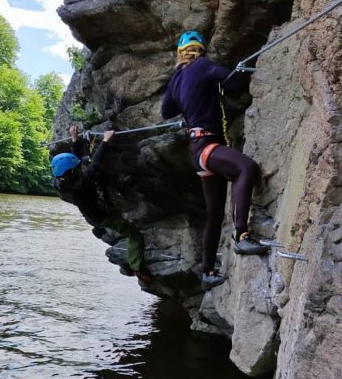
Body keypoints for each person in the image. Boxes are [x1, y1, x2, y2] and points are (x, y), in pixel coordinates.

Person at [160, 30, 268, 291]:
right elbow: (233, 84)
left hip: (197, 151)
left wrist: (189, 101)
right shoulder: (203, 65)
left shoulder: (176, 79)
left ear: (180, 53)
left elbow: (166, 111)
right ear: (201, 50)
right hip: (208, 145)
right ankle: (241, 235)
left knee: (214, 213)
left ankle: (207, 272)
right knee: (246, 168)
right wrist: (236, 70)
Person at [50, 125, 151, 283]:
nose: (79, 168)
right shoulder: (80, 185)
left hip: (92, 213)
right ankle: (137, 268)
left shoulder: (61, 182)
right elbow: (94, 165)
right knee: (134, 235)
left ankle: (127, 255)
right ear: (72, 172)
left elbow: (74, 163)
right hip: (102, 216)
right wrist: (105, 141)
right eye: (76, 168)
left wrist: (74, 139)